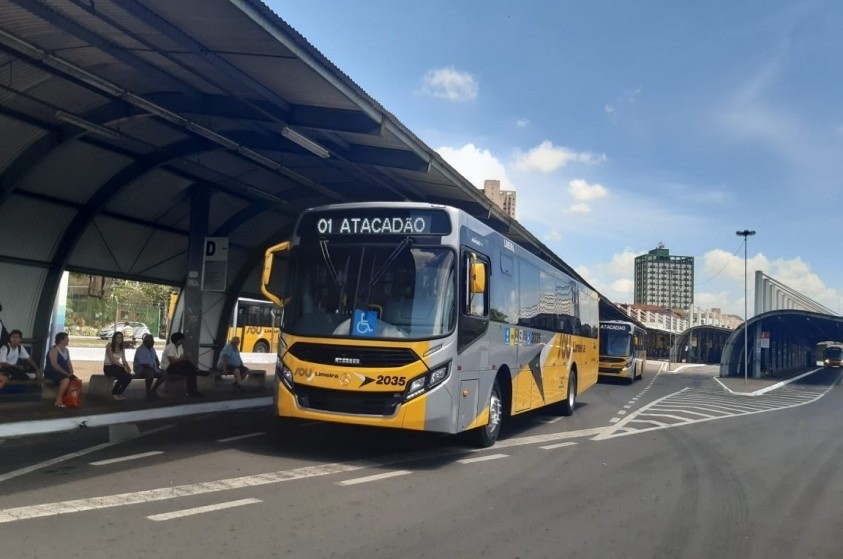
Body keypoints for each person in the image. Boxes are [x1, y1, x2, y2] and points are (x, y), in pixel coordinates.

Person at [160, 332, 202, 397]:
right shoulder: (170, 347)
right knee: (188, 366)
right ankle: (197, 371)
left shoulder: (180, 347)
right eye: (182, 340)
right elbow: (172, 361)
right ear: (178, 340)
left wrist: (186, 357)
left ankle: (194, 391)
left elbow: (182, 359)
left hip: (176, 366)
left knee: (191, 372)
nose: (183, 341)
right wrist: (184, 357)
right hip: (168, 368)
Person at [43, 332, 77, 408]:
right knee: (66, 380)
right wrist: (66, 373)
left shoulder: (66, 350)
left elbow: (68, 362)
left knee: (75, 380)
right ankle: (58, 400)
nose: (68, 340)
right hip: (52, 372)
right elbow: (54, 364)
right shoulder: (54, 350)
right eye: (66, 339)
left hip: (64, 372)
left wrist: (71, 371)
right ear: (61, 340)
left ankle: (71, 399)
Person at [103, 331, 133, 400]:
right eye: (117, 337)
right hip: (109, 367)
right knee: (122, 376)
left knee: (129, 376)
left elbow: (124, 360)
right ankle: (114, 393)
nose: (119, 339)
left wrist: (128, 367)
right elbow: (113, 361)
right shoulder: (109, 347)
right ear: (114, 338)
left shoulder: (122, 348)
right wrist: (123, 367)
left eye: (120, 337)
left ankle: (119, 392)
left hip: (117, 366)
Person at [133, 333, 164, 399]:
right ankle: (148, 392)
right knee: (150, 373)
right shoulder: (140, 350)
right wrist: (154, 370)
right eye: (151, 342)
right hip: (141, 369)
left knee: (164, 373)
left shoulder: (152, 349)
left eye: (153, 342)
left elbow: (156, 358)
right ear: (146, 342)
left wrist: (157, 364)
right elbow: (144, 364)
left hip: (152, 368)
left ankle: (153, 390)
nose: (153, 343)